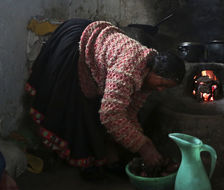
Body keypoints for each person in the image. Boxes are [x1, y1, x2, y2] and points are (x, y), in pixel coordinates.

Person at [25, 18, 185, 179]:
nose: (160, 89)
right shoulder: (127, 68)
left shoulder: (148, 77)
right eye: (162, 84)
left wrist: (141, 140)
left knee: (96, 112)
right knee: (73, 108)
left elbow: (129, 112)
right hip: (74, 43)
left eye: (166, 88)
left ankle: (104, 159)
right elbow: (110, 115)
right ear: (153, 71)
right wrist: (144, 146)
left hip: (95, 48)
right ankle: (65, 157)